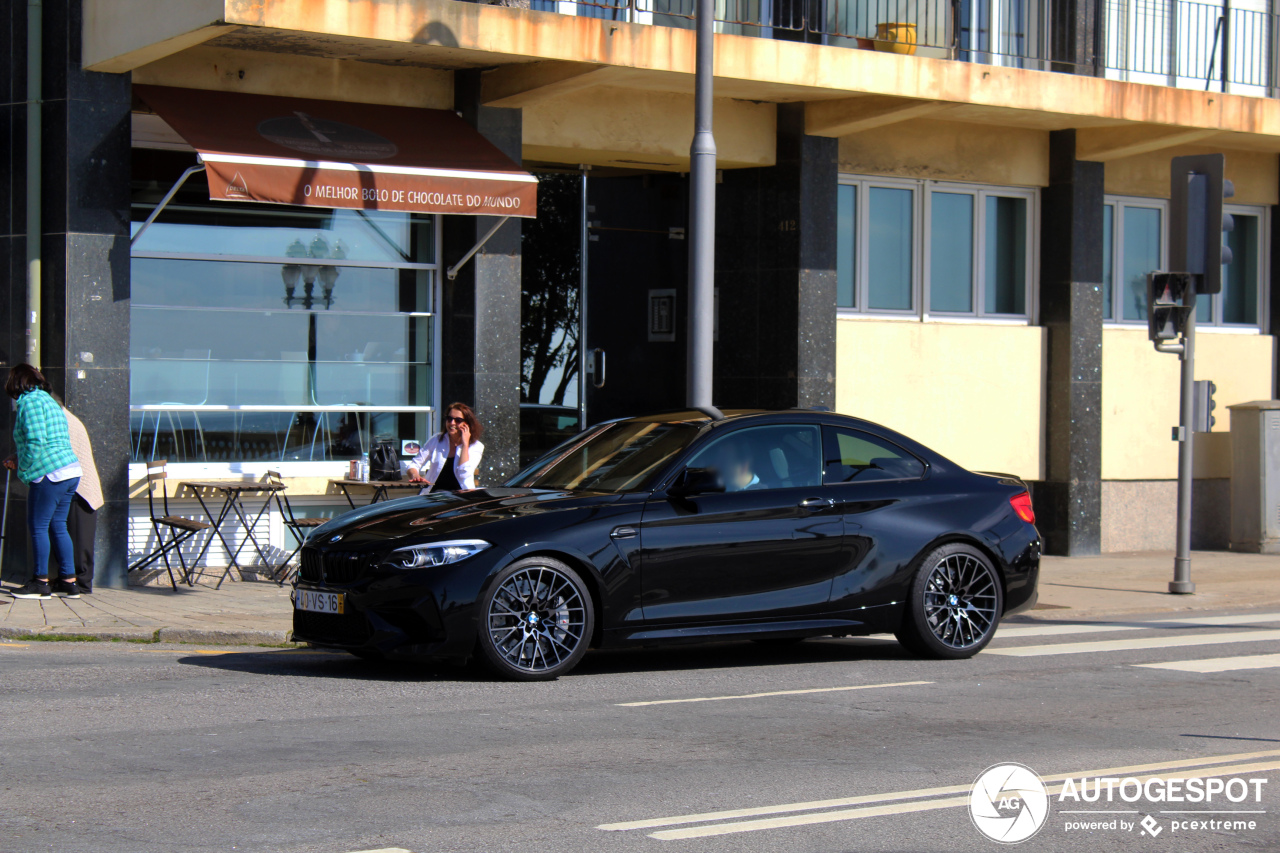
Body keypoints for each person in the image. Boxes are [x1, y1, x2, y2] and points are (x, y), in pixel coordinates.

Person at [3, 364, 82, 599]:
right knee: (58, 526)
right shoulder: (48, 400)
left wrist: (25, 466)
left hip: (50, 473)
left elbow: (37, 440)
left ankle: (40, 583)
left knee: (38, 527)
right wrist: (18, 455)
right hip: (69, 470)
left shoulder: (29, 401)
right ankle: (69, 582)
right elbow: (50, 438)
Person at [61, 408, 103, 593]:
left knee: (79, 537)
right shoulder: (68, 418)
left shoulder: (64, 420)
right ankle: (76, 580)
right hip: (78, 484)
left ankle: (82, 583)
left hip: (81, 487)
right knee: (77, 536)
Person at [407, 403, 485, 493]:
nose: (452, 423)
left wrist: (465, 445)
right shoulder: (436, 440)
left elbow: (464, 474)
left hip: (461, 497)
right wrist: (415, 476)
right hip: (434, 496)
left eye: (458, 420)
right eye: (449, 419)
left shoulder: (476, 446)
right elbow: (414, 464)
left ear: (467, 424)